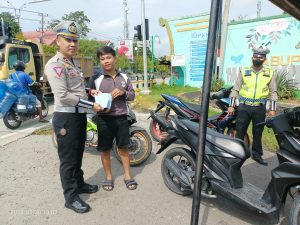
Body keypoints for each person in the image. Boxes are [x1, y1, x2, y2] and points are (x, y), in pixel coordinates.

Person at [45, 21, 103, 213]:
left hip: (78, 117)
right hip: (66, 119)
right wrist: (91, 105)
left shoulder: (73, 62)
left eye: (75, 40)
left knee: (78, 154)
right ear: (58, 41)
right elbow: (63, 96)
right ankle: (70, 197)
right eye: (68, 39)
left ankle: (79, 184)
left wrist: (89, 91)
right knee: (68, 159)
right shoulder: (55, 65)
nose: (72, 44)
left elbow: (75, 89)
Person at [88, 46, 137, 191]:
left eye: (108, 57)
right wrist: (93, 105)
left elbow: (132, 95)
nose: (105, 61)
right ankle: (109, 177)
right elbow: (89, 98)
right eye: (102, 59)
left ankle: (127, 176)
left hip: (122, 117)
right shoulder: (95, 78)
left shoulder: (125, 77)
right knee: (105, 150)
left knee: (124, 149)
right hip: (104, 119)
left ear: (114, 58)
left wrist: (123, 92)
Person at [228, 46, 278, 166]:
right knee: (240, 131)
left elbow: (273, 92)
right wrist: (231, 105)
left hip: (260, 108)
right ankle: (237, 154)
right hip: (244, 107)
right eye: (256, 56)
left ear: (264, 59)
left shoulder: (269, 73)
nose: (258, 58)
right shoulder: (244, 71)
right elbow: (236, 89)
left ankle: (257, 155)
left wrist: (272, 109)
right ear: (252, 57)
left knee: (258, 132)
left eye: (261, 57)